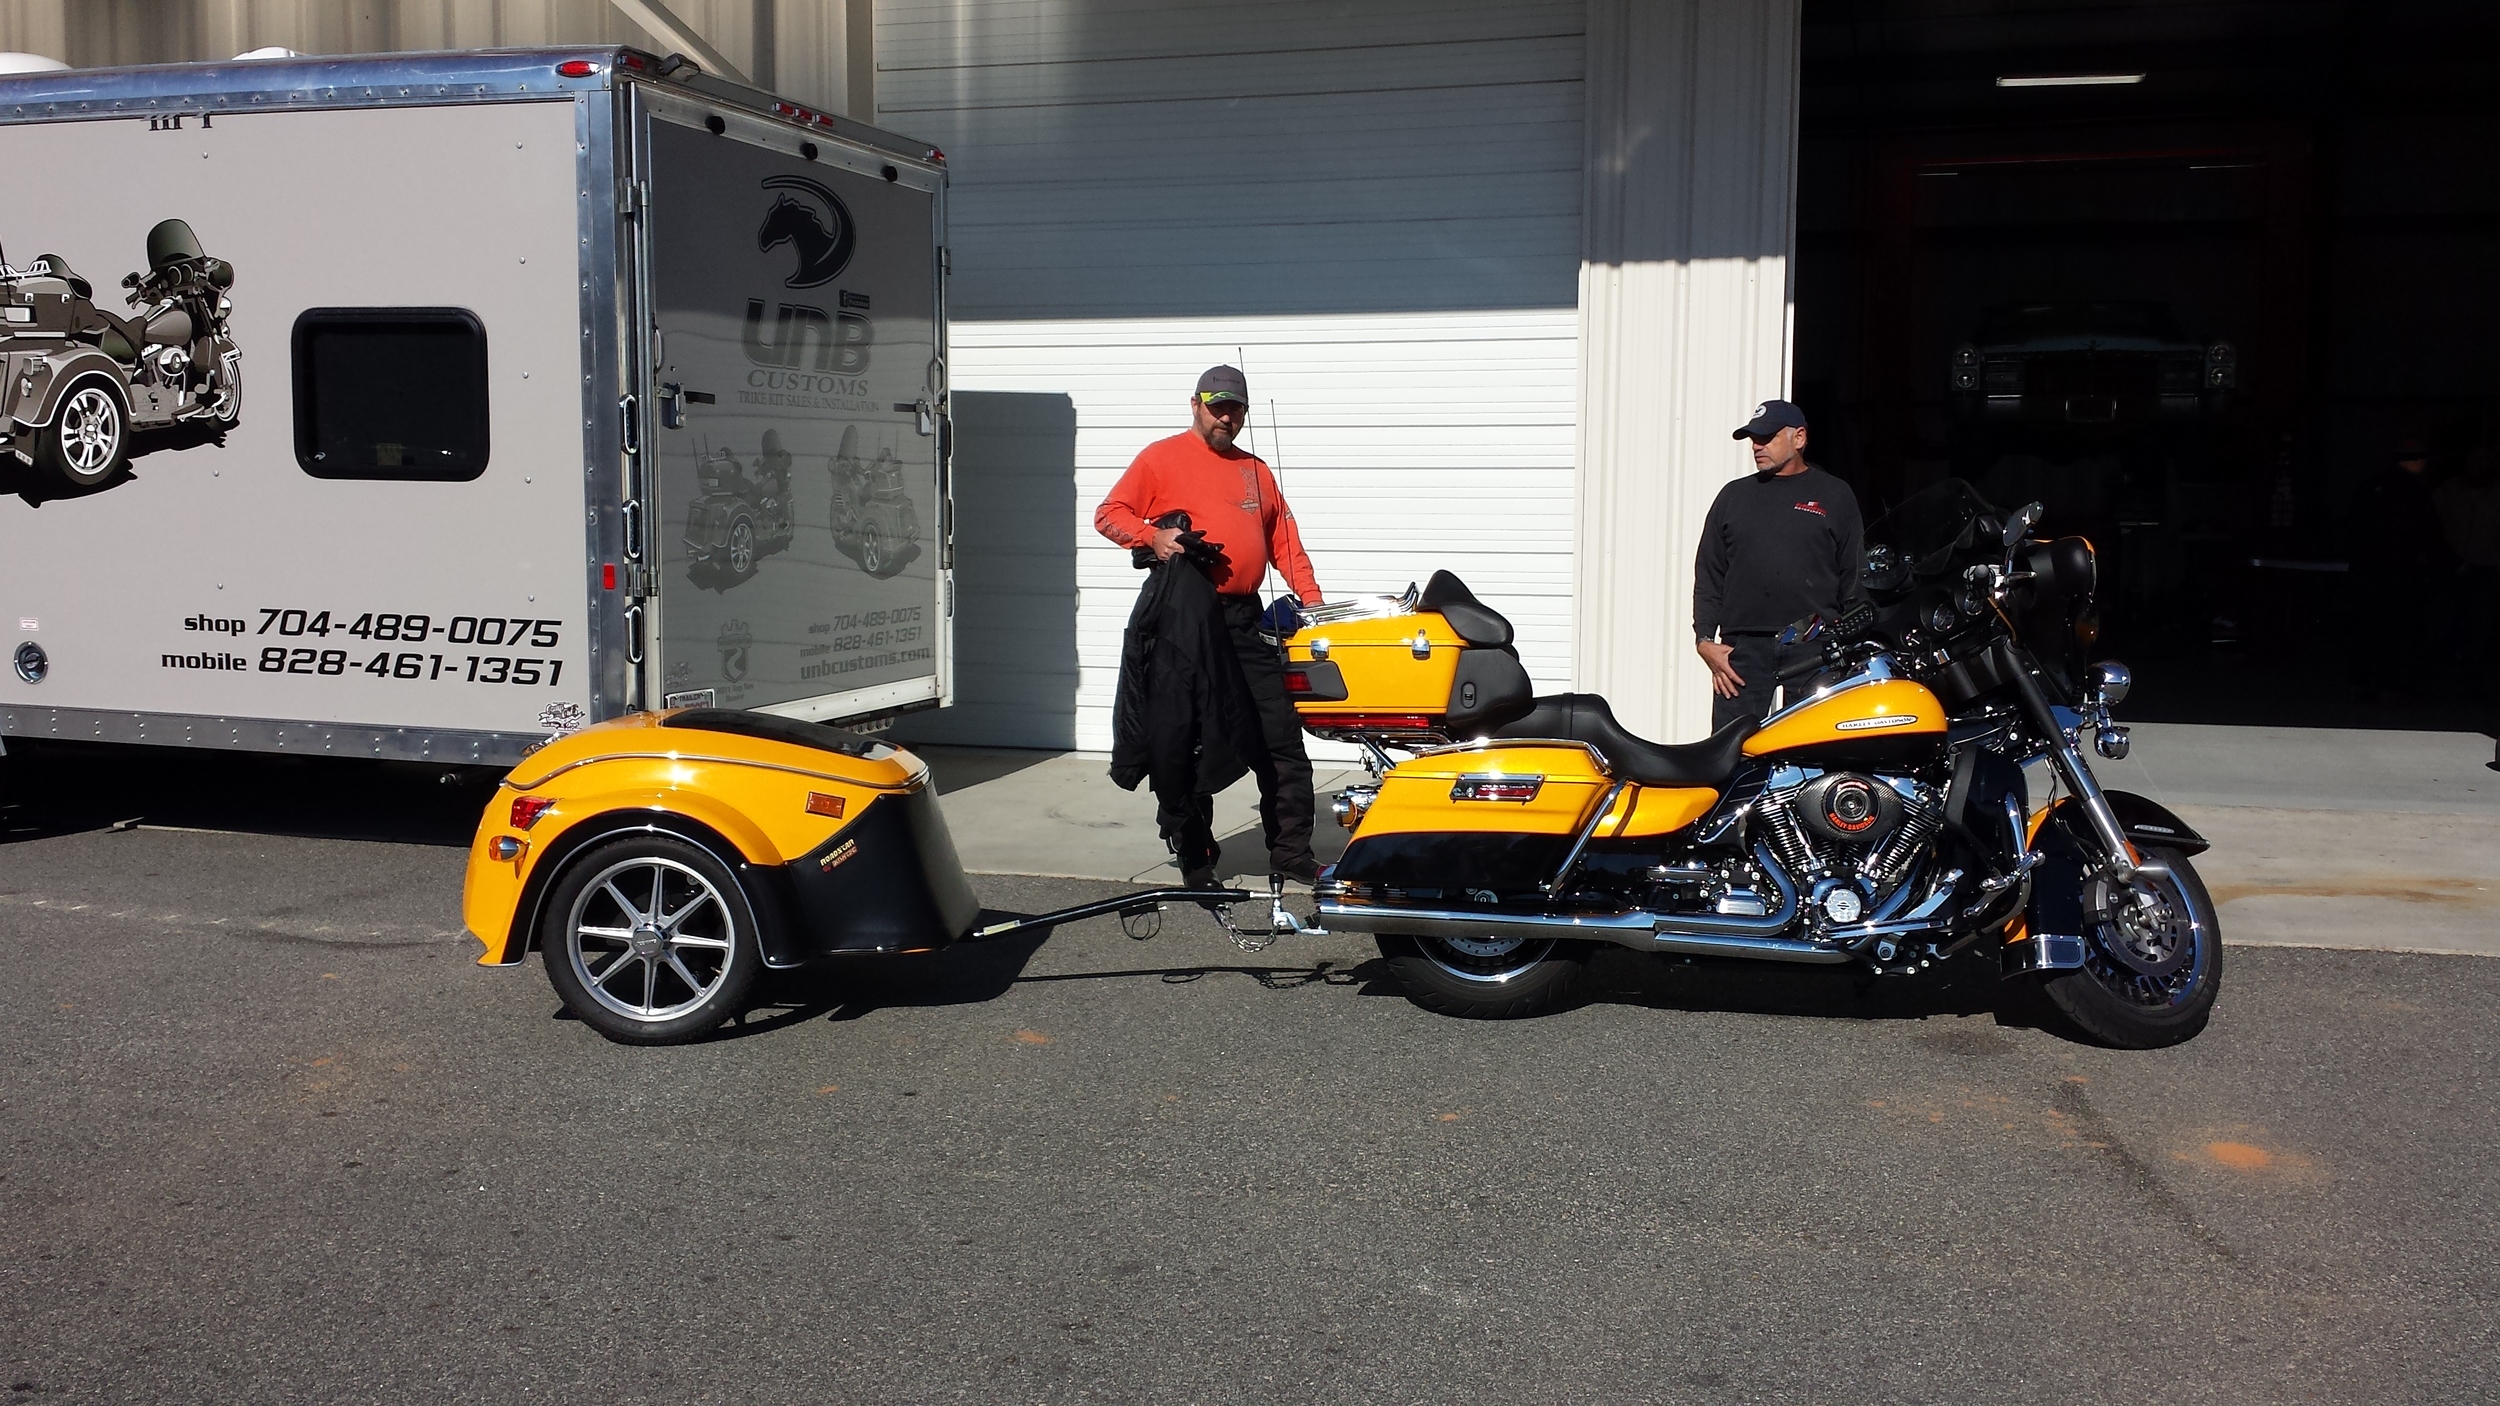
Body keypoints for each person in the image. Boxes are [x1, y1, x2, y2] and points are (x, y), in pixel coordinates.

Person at [1096, 365, 1326, 886]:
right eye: (1217, 405)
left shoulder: (1256, 471)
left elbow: (1284, 541)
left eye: (1236, 408)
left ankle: (1291, 851)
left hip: (1245, 622)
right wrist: (1151, 538)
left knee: (1281, 738)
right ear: (1196, 404)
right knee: (1187, 740)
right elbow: (1109, 513)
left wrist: (1311, 603)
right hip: (1184, 621)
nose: (1226, 416)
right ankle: (1196, 857)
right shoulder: (1160, 458)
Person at [1693, 399, 1865, 732]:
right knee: (1733, 752)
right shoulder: (1733, 496)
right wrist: (1705, 641)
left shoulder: (1834, 494)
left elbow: (1854, 574)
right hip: (1741, 651)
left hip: (1813, 645)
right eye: (1754, 439)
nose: (1757, 446)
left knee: (1814, 748)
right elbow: (1710, 574)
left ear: (1799, 438)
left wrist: (1847, 639)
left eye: (1767, 437)